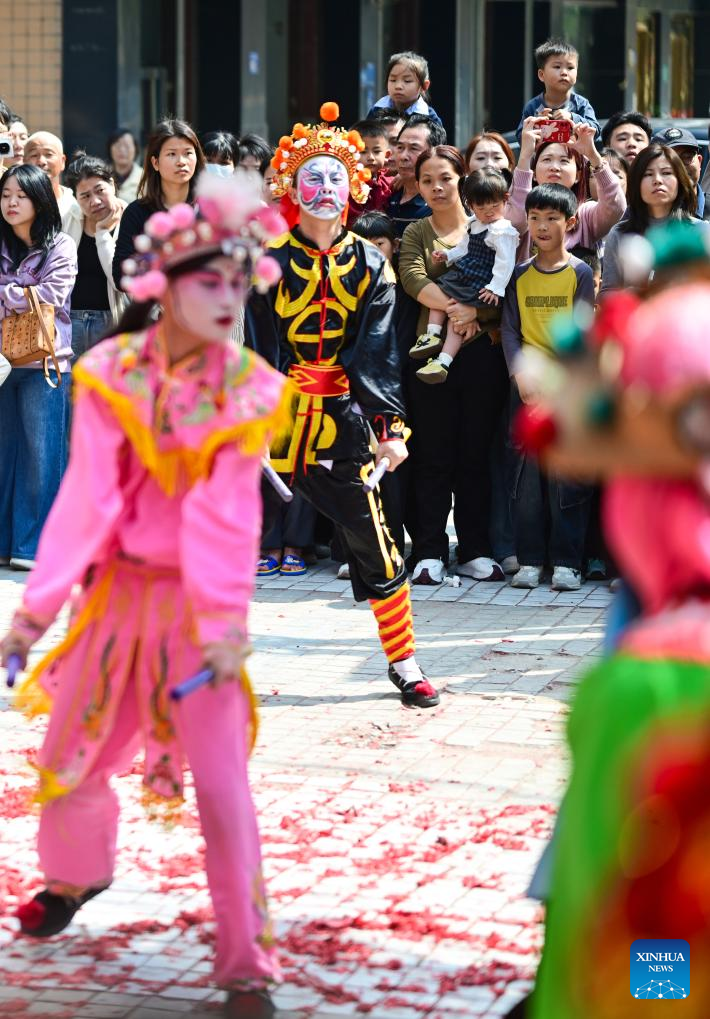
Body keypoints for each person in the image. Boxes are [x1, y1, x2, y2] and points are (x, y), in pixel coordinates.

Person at [0, 172, 289, 1019]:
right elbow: (87, 498)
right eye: (211, 282)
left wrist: (227, 623)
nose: (230, 298)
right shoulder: (110, 372)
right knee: (70, 759)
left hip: (200, 615)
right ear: (164, 289)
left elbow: (227, 515)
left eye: (240, 282)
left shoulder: (247, 387)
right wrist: (36, 607)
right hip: (118, 605)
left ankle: (246, 964)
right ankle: (78, 874)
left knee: (224, 791)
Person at [248, 102, 440, 709]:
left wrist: (388, 427)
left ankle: (404, 661)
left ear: (354, 185)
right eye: (314, 177)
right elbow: (253, 348)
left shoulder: (371, 264)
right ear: (292, 188)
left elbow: (379, 355)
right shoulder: (269, 264)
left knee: (376, 537)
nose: (325, 187)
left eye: (336, 176)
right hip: (276, 416)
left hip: (342, 423)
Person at [399, 146, 510, 583]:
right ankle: (428, 550)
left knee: (474, 455)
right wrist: (458, 308)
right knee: (433, 453)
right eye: (427, 180)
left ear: (461, 180)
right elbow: (412, 279)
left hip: (481, 355)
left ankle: (474, 548)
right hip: (430, 356)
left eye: (445, 178)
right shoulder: (416, 232)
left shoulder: (495, 226)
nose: (437, 187)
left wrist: (476, 315)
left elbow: (505, 290)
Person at [501, 184, 595, 592]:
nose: (541, 226)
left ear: (570, 223)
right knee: (526, 480)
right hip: (525, 388)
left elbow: (583, 333)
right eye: (535, 217)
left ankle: (566, 561)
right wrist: (521, 376)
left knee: (566, 476)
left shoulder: (581, 273)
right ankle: (530, 559)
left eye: (552, 218)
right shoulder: (519, 274)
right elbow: (510, 330)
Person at [0, 164, 78, 570]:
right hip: (0, 366)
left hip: (46, 364)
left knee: (42, 458)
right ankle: (3, 543)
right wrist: (23, 293)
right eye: (5, 195)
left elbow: (53, 294)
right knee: (3, 455)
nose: (11, 203)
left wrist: (6, 292)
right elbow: (36, 296)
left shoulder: (61, 245)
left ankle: (33, 549)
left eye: (21, 195)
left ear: (40, 200)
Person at [411, 168, 518, 384]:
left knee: (455, 323)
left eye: (494, 205)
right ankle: (431, 335)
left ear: (505, 200)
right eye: (481, 206)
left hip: (481, 282)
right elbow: (464, 247)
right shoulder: (474, 224)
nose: (488, 211)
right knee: (440, 290)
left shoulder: (503, 230)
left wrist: (495, 287)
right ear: (471, 205)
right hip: (465, 272)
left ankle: (443, 361)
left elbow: (506, 263)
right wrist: (448, 255)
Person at [112, 119, 205, 289]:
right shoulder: (137, 212)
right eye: (171, 154)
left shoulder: (208, 209)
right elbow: (120, 275)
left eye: (188, 153)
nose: (181, 161)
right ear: (155, 163)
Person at [514, 119, 626, 260]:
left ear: (578, 175)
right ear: (534, 173)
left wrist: (592, 155)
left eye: (564, 160)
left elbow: (616, 207)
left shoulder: (585, 214)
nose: (554, 167)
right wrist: (525, 155)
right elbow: (516, 220)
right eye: (547, 159)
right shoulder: (523, 208)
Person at [601, 143, 702, 295]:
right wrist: (632, 295)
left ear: (680, 180)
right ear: (636, 184)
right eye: (648, 174)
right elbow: (607, 293)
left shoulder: (701, 232)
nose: (657, 180)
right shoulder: (619, 234)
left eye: (667, 173)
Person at [65, 154, 126, 360]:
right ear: (75, 198)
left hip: (112, 322)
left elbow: (119, 281)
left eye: (100, 191)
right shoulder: (68, 221)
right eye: (85, 196)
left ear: (112, 184)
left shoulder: (131, 220)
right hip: (70, 323)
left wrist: (102, 233)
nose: (95, 201)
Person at [516, 39, 599, 143]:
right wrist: (537, 124)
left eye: (570, 67)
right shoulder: (533, 106)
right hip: (543, 158)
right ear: (542, 75)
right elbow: (520, 137)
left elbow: (596, 130)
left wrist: (572, 117)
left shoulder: (581, 104)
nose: (564, 72)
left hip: (574, 158)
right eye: (557, 67)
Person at [387, 114, 446, 238]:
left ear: (435, 152)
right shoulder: (387, 194)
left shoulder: (439, 203)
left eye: (414, 148)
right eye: (400, 147)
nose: (403, 156)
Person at [23, 131, 82, 243]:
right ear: (24, 161)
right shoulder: (15, 204)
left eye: (49, 154)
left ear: (63, 161)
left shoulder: (76, 207)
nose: (41, 162)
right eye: (34, 155)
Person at [366, 51, 443, 127]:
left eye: (407, 81)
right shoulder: (376, 110)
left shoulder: (430, 118)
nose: (398, 86)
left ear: (424, 86)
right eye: (393, 80)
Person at [651, 125, 706, 219]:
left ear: (700, 162)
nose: (680, 166)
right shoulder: (640, 214)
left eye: (687, 157)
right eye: (669, 160)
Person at [346, 120, 393, 227]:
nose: (371, 157)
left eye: (376, 151)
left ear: (387, 155)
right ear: (350, 153)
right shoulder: (347, 183)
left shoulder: (390, 181)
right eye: (363, 152)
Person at [107, 128, 142, 202]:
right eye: (117, 145)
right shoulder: (101, 176)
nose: (122, 150)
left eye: (127, 146)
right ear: (110, 148)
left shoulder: (145, 178)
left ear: (135, 149)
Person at [368, 108, 405, 176]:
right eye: (379, 144)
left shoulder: (419, 182)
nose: (387, 151)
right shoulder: (356, 183)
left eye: (395, 142)